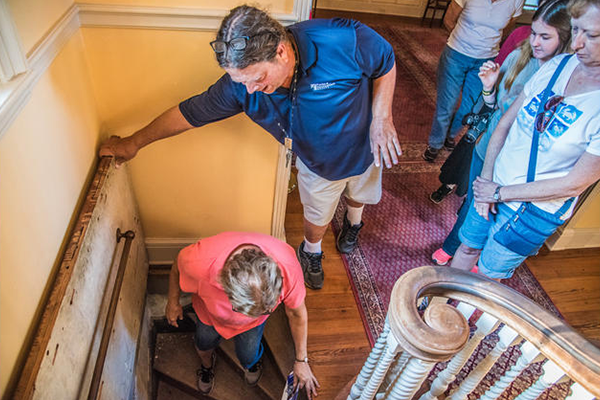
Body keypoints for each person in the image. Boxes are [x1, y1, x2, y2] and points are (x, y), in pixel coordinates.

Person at [99, 5, 400, 291]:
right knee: (317, 215)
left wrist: (382, 118)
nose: (251, 91)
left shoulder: (343, 39)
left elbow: (385, 60)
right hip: (319, 164)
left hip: (368, 145)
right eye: (242, 82)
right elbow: (190, 113)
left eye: (258, 79)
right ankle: (311, 250)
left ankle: (353, 224)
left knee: (359, 193)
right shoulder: (241, 86)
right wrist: (133, 142)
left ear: (281, 52)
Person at [449, 0, 600, 279]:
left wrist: (499, 194)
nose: (577, 44)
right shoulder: (558, 65)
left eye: (590, 35)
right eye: (576, 30)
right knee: (467, 248)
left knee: (488, 274)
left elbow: (575, 182)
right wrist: (486, 182)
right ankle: (437, 303)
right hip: (494, 183)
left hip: (531, 209)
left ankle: (466, 319)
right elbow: (504, 125)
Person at [431, 0, 572, 265]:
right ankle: (456, 246)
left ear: (566, 40)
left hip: (517, 165)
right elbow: (496, 106)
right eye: (533, 33)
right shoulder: (521, 55)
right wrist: (489, 87)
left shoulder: (566, 79)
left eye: (545, 36)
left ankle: (467, 252)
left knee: (494, 213)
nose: (535, 42)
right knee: (473, 202)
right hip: (489, 146)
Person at [165, 231, 319, 398]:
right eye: (244, 311)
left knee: (248, 355)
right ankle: (207, 366)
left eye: (266, 310)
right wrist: (173, 302)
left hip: (252, 327)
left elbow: (297, 314)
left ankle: (252, 363)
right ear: (225, 286)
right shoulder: (198, 262)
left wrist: (301, 360)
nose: (249, 317)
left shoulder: (288, 267)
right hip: (208, 316)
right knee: (203, 344)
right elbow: (176, 267)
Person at [423, 0, 524, 162]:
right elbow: (449, 19)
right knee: (447, 104)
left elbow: (507, 29)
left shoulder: (517, 1)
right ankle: (435, 143)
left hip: (485, 60)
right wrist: (466, 41)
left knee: (470, 107)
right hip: (456, 54)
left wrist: (485, 45)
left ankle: (451, 134)